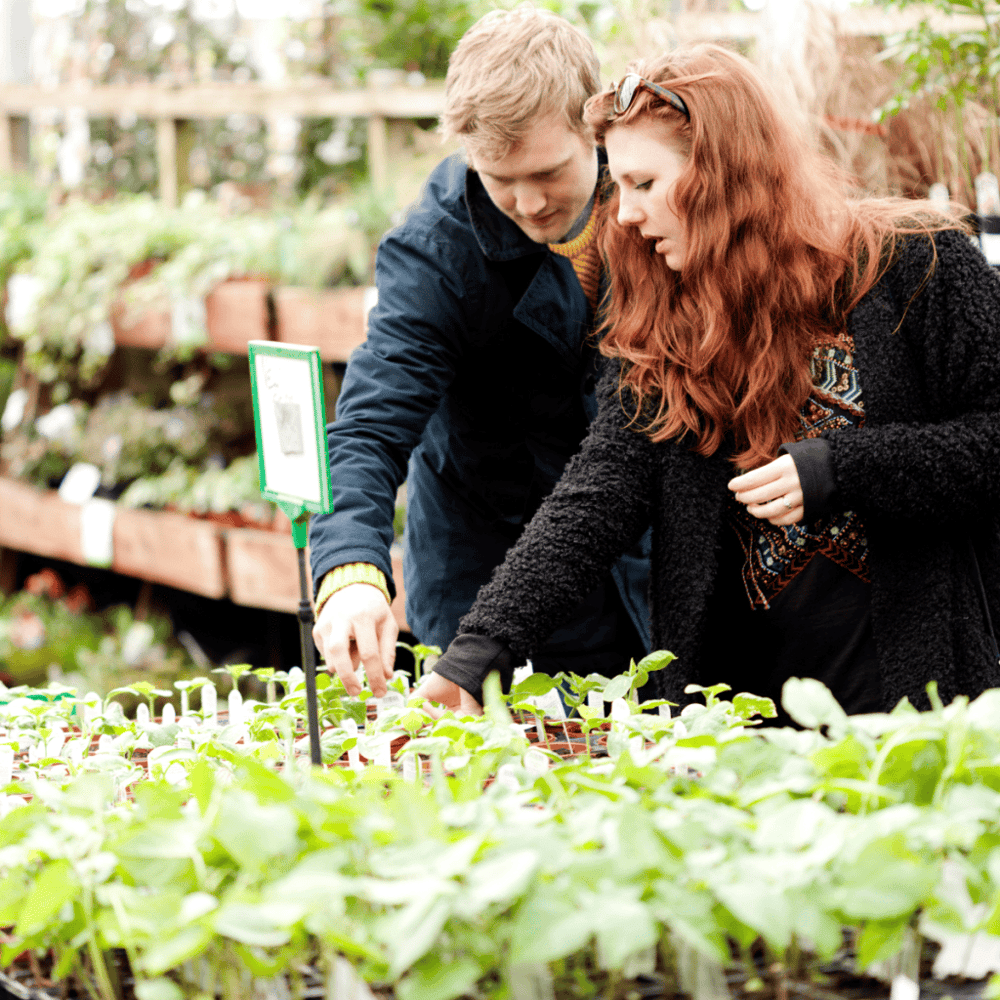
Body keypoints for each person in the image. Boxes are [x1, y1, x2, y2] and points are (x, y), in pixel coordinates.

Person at [426, 42, 1000, 718]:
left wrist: (841, 468)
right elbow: (598, 494)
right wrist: (477, 652)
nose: (626, 214)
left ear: (723, 171)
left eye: (645, 184)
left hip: (921, 713)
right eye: (621, 186)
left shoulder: (918, 267)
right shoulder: (664, 313)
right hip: (743, 735)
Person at [308, 5, 651, 710]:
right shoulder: (435, 254)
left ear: (595, 126)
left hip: (639, 544)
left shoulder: (654, 195)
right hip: (487, 567)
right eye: (499, 178)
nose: (527, 201)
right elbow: (371, 424)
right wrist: (349, 570)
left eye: (548, 171)